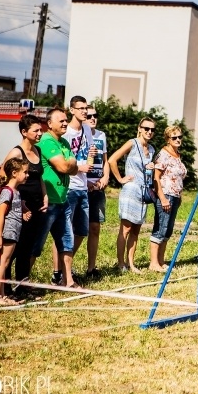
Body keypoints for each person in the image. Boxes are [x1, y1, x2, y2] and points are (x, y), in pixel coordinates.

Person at [0, 114, 48, 298]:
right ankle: (7, 289)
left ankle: (23, 285)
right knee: (14, 248)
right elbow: (2, 179)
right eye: (36, 130)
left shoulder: (38, 150)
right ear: (24, 132)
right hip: (19, 208)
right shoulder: (16, 153)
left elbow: (39, 176)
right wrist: (19, 202)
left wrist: (45, 195)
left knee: (28, 247)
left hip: (36, 207)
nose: (40, 133)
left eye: (41, 129)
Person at [36, 107, 79, 288]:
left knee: (67, 243)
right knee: (36, 245)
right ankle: (23, 283)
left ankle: (68, 281)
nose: (65, 123)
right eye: (60, 120)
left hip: (63, 200)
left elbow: (74, 168)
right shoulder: (46, 141)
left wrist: (70, 163)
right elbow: (64, 167)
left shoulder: (63, 143)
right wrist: (69, 162)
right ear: (49, 124)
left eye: (65, 120)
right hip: (48, 201)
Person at [109, 117, 156, 273]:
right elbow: (112, 160)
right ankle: (120, 263)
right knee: (126, 229)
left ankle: (131, 263)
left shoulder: (152, 149)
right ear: (139, 128)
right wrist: (120, 179)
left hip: (144, 192)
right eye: (146, 128)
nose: (149, 132)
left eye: (152, 129)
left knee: (136, 230)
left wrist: (153, 167)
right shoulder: (132, 143)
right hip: (130, 190)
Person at [61, 96, 96, 284]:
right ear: (71, 110)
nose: (84, 112)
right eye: (80, 108)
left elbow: (89, 153)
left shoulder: (87, 130)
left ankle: (66, 265)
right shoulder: (65, 132)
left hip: (82, 186)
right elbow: (63, 162)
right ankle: (60, 273)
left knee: (82, 231)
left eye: (86, 108)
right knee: (65, 232)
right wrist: (79, 168)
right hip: (69, 187)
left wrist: (88, 167)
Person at [0, 157, 31, 306]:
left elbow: (11, 212)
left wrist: (22, 214)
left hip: (13, 232)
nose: (27, 175)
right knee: (2, 264)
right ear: (14, 173)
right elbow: (0, 214)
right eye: (25, 172)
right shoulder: (7, 192)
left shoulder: (15, 191)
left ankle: (2, 294)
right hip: (7, 233)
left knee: (5, 264)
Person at [149, 125, 187, 272]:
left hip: (175, 197)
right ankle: (153, 263)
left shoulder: (177, 154)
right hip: (165, 195)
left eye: (180, 137)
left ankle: (161, 260)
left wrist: (179, 196)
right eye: (174, 137)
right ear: (167, 139)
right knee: (160, 228)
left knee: (168, 230)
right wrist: (163, 199)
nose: (178, 140)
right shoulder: (163, 155)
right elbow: (156, 178)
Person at [85, 105, 109, 279]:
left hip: (98, 188)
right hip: (82, 187)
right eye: (89, 116)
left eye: (95, 115)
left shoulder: (102, 135)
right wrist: (87, 184)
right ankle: (62, 270)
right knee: (75, 230)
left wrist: (105, 177)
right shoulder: (79, 135)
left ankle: (91, 268)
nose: (93, 118)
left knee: (95, 228)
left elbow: (105, 160)